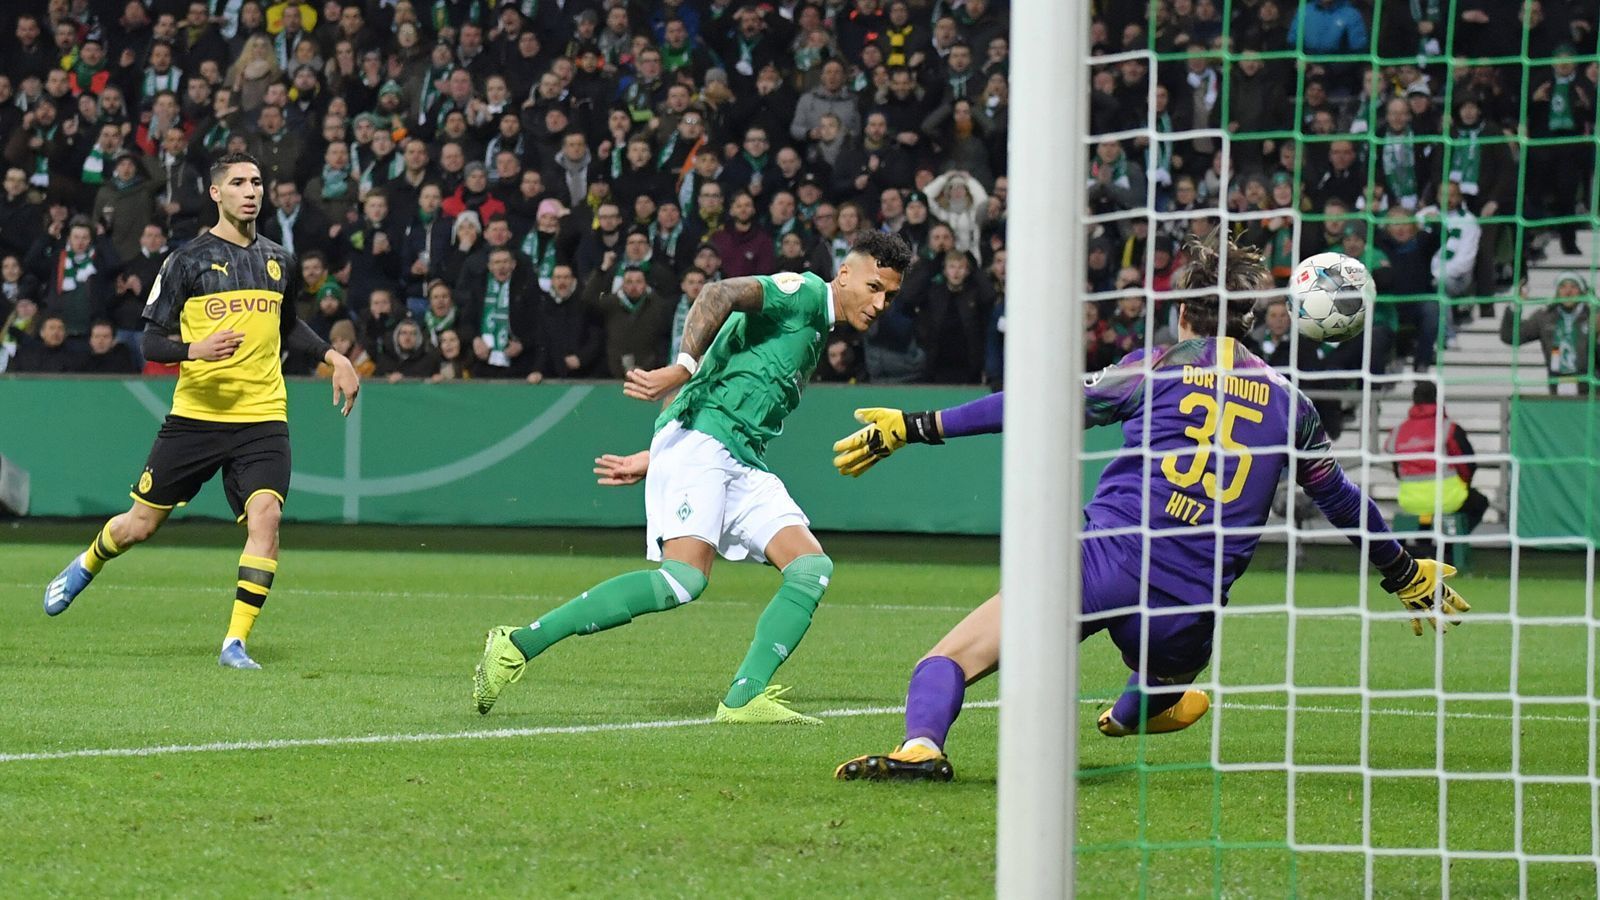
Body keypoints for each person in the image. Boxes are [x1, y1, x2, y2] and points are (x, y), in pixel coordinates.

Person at [829, 234, 1470, 781]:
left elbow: (1039, 404)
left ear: (1184, 314)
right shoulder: (1289, 402)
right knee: (1161, 683)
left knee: (947, 660)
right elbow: (1339, 497)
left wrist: (916, 426)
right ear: (1248, 321)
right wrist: (1404, 572)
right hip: (1190, 603)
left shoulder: (1156, 367)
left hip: (1103, 559)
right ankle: (1135, 711)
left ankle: (921, 748)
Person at [472, 232, 914, 723]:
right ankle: (516, 644)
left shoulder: (815, 327)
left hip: (738, 457)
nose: (879, 304)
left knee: (811, 568)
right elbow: (717, 293)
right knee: (683, 580)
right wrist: (682, 367)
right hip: (708, 445)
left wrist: (657, 454)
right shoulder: (803, 294)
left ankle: (743, 699)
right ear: (845, 273)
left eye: (890, 296)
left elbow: (730, 377)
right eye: (874, 287)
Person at [42, 152, 362, 670]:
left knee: (267, 518)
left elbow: (287, 327)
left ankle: (234, 643)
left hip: (262, 416)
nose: (251, 190)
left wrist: (333, 355)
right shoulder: (186, 261)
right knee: (140, 525)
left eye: (257, 181)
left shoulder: (279, 259)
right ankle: (86, 563)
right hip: (197, 417)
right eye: (238, 182)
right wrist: (196, 350)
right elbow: (151, 342)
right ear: (216, 193)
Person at [1384, 381, 1489, 540]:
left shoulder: (1398, 431)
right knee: (1479, 503)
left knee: (1423, 512)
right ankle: (1451, 545)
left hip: (1410, 501)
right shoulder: (1449, 429)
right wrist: (1463, 483)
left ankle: (1422, 545)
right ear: (1438, 399)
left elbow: (1397, 470)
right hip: (1448, 499)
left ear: (1414, 400)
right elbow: (1468, 466)